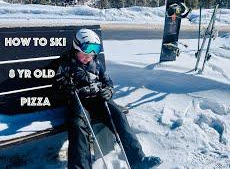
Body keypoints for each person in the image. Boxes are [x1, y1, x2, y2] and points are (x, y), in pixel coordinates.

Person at [54, 29, 162, 169]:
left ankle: (137, 159)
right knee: (78, 125)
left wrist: (108, 91)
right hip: (79, 103)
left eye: (92, 53)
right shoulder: (66, 64)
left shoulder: (96, 63)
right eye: (85, 53)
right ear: (76, 47)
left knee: (118, 114)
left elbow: (108, 82)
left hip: (99, 101)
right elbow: (57, 88)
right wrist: (66, 88)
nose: (88, 57)